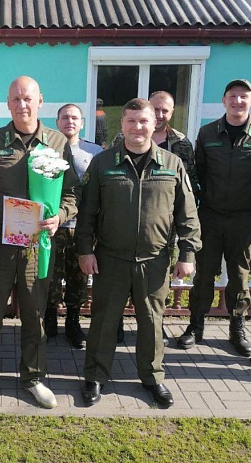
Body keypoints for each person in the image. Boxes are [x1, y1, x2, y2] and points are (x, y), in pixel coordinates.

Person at [77, 98, 200, 408]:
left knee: (152, 323)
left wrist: (187, 253)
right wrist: (85, 251)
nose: (137, 127)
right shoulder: (103, 163)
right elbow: (87, 212)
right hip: (111, 259)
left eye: (143, 121)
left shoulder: (172, 164)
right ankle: (95, 377)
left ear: (154, 123)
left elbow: (187, 213)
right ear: (122, 124)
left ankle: (153, 378)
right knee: (104, 322)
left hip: (154, 260)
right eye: (131, 121)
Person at [0, 76, 80, 412]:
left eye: (28, 98)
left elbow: (72, 193)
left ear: (40, 101)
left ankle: (33, 378)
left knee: (35, 315)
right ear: (8, 103)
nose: (22, 105)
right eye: (16, 99)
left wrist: (60, 216)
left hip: (37, 247)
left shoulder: (57, 142)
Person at [177, 80, 251, 356]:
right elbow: (197, 174)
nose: (237, 101)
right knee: (204, 273)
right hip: (210, 216)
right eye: (232, 96)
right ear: (224, 101)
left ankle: (237, 328)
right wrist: (199, 205)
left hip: (244, 218)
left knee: (239, 275)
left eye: (243, 96)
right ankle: (195, 325)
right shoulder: (207, 132)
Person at [112, 91, 198, 345]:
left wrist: (187, 251)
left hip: (159, 241)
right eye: (155, 109)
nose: (159, 115)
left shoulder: (180, 148)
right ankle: (115, 329)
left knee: (154, 299)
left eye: (164, 111)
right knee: (115, 297)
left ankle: (154, 336)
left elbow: (187, 198)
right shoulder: (118, 144)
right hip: (117, 244)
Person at [44, 103, 102, 349]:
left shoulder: (94, 151)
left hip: (82, 226)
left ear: (82, 123)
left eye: (75, 118)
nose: (70, 121)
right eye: (65, 117)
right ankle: (49, 319)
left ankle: (73, 322)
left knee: (78, 276)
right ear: (57, 122)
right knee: (50, 275)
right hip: (53, 225)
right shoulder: (46, 150)